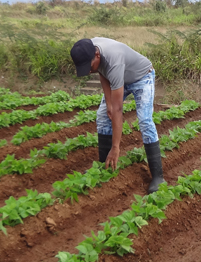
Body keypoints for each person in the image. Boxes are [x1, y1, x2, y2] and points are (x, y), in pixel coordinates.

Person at [70, 37, 165, 193]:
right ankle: (103, 165)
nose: (87, 71)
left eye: (89, 66)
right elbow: (102, 72)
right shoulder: (88, 49)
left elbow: (118, 110)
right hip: (119, 78)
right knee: (102, 115)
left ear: (97, 55)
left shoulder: (113, 59)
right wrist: (108, 102)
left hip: (142, 77)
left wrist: (116, 147)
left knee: (145, 121)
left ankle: (158, 177)